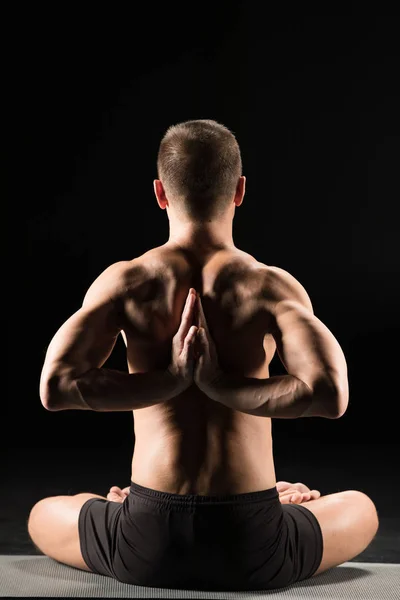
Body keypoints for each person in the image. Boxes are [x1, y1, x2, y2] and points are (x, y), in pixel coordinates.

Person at [29, 119, 379, 591]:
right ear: (239, 190)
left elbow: (57, 386)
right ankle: (274, 502)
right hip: (255, 543)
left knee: (42, 514)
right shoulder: (269, 286)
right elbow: (330, 394)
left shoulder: (127, 281)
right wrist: (217, 384)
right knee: (361, 507)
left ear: (159, 192)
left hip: (145, 540)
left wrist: (171, 379)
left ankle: (117, 508)